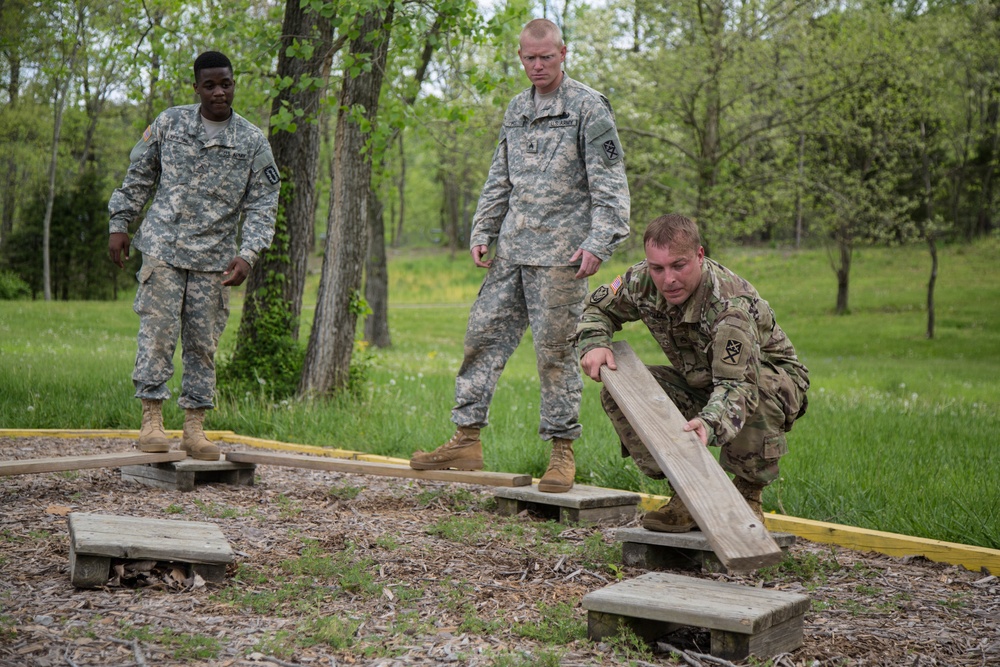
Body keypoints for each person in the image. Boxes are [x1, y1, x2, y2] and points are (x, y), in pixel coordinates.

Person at [409, 18, 630, 493]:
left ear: (563, 53)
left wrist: (598, 243)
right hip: (512, 251)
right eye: (529, 58)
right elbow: (499, 176)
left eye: (545, 57)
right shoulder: (516, 108)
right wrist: (483, 229)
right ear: (520, 58)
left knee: (555, 356)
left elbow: (612, 189)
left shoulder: (589, 108)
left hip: (562, 258)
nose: (537, 65)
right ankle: (466, 440)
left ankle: (561, 452)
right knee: (481, 338)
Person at [577, 213, 809, 530]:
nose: (667, 279)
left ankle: (747, 496)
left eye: (678, 265)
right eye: (657, 268)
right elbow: (597, 306)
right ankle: (686, 491)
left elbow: (737, 386)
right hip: (702, 380)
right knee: (623, 390)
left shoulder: (729, 308)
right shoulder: (640, 280)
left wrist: (709, 424)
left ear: (699, 256)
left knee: (762, 389)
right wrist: (593, 343)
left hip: (764, 383)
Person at [108, 51, 280, 461]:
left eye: (226, 84)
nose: (219, 92)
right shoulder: (170, 123)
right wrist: (120, 223)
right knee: (157, 337)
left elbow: (263, 204)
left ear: (233, 84)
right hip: (163, 251)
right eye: (210, 85)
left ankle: (194, 429)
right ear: (196, 87)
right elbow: (139, 177)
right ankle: (151, 421)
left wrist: (248, 253)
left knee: (203, 346)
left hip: (214, 262)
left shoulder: (252, 141)